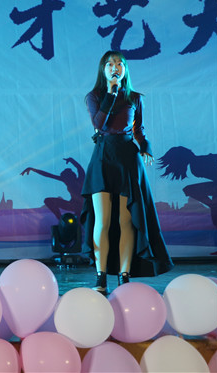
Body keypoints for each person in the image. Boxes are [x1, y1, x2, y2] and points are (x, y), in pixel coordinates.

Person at [80, 50, 173, 295]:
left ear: (125, 69)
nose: (115, 67)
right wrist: (111, 94)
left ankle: (124, 274)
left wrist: (145, 146)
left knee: (126, 220)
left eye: (119, 64)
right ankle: (101, 276)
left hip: (127, 159)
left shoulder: (135, 98)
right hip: (103, 158)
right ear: (103, 70)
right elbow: (99, 124)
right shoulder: (94, 96)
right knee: (102, 220)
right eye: (110, 64)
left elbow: (138, 129)